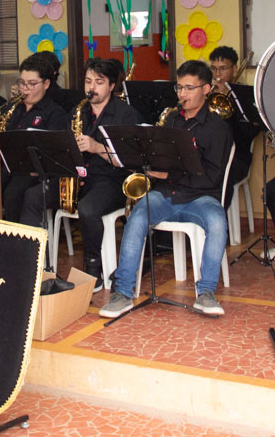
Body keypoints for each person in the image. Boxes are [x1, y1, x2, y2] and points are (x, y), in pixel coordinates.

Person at [99, 60, 234, 318]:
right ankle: (123, 293)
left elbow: (212, 178)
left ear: (206, 89)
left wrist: (168, 173)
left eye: (189, 88)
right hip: (168, 194)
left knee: (218, 222)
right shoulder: (172, 120)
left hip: (202, 198)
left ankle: (206, 293)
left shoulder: (218, 128)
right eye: (179, 87)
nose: (182, 94)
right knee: (137, 217)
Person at [20, 58, 143, 287]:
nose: (91, 88)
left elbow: (131, 161)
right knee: (33, 196)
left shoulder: (127, 115)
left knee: (88, 208)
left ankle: (94, 269)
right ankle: (36, 265)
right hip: (78, 178)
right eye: (88, 81)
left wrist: (97, 148)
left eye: (99, 82)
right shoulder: (77, 112)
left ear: (112, 86)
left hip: (112, 180)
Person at [0, 54, 70, 224]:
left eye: (32, 84)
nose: (25, 89)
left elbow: (55, 153)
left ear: (46, 84)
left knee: (13, 194)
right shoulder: (11, 108)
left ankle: (17, 242)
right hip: (10, 167)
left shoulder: (54, 113)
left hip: (36, 171)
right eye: (22, 83)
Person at [208, 45, 259, 210]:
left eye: (223, 69)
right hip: (211, 157)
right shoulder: (207, 95)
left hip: (237, 159)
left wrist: (230, 106)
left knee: (220, 175)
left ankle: (218, 220)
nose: (217, 75)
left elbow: (249, 134)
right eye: (214, 69)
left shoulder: (245, 97)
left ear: (235, 68)